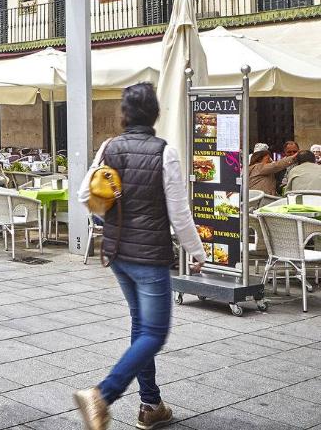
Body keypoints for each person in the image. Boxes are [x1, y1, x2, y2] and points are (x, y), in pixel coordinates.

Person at [74, 82, 206, 430]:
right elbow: (179, 214)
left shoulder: (109, 147)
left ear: (124, 113)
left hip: (117, 253)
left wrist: (112, 218)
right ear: (155, 114)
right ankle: (103, 395)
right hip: (149, 258)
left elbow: (84, 194)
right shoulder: (165, 152)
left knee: (140, 325)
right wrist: (197, 251)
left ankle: (151, 405)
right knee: (155, 332)